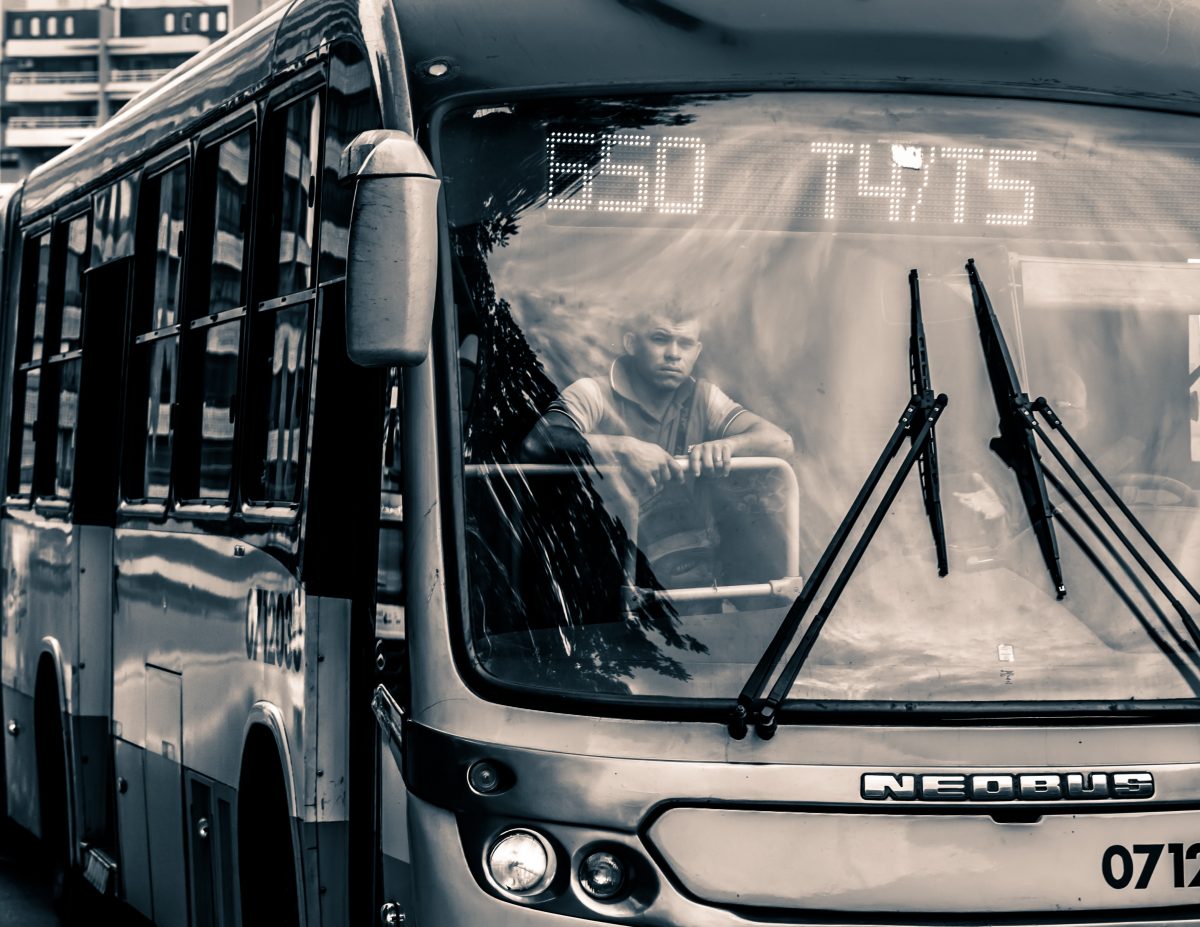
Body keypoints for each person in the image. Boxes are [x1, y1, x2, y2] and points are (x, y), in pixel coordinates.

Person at [523, 305, 793, 587]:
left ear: (697, 351)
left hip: (686, 576)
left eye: (685, 343)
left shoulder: (704, 398)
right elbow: (538, 441)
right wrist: (624, 448)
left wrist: (727, 445)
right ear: (631, 343)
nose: (674, 354)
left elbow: (781, 442)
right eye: (660, 339)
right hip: (600, 568)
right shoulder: (593, 392)